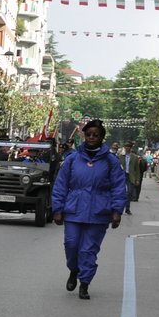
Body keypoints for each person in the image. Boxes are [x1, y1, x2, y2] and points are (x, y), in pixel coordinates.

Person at [51, 119, 127, 300]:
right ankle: (74, 269)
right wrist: (57, 208)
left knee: (88, 250)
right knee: (71, 245)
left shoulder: (110, 161)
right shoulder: (72, 159)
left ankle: (84, 283)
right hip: (74, 210)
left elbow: (118, 186)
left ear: (101, 137)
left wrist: (117, 211)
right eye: (89, 134)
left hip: (99, 212)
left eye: (96, 135)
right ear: (83, 135)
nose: (92, 137)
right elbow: (60, 185)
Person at [118, 141, 146, 215]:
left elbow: (137, 169)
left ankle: (127, 208)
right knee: (121, 193)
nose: (127, 148)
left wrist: (137, 179)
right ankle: (119, 208)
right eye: (126, 147)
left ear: (131, 148)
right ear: (124, 148)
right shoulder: (120, 156)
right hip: (122, 176)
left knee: (129, 193)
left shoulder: (134, 157)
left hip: (131, 177)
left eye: (129, 147)